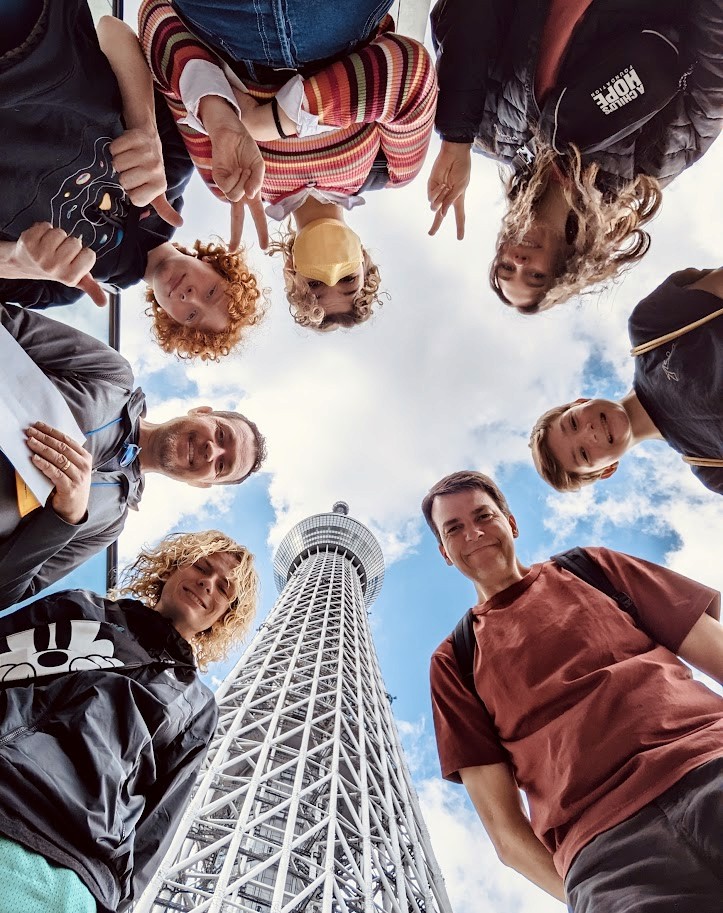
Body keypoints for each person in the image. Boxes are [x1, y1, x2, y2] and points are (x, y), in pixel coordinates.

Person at [423, 470, 723, 911]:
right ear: (445, 553)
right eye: (454, 528)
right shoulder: (455, 660)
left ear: (511, 522)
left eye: (483, 516)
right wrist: (583, 896)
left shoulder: (593, 568)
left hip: (708, 764)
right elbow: (505, 832)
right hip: (607, 854)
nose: (473, 533)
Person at [0, 529, 258, 913]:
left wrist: (119, 902)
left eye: (224, 589)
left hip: (71, 863)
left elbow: (160, 818)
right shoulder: (83, 608)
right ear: (170, 568)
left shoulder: (197, 704)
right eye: (202, 567)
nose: (208, 583)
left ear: (224, 616)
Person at [139, 0, 437, 330]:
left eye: (316, 284)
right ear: (363, 259)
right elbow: (410, 72)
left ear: (291, 271)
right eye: (348, 279)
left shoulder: (231, 182)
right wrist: (267, 122)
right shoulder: (390, 170)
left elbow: (158, 25)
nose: (331, 270)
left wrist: (218, 115)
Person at [0, 0, 263, 361]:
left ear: (169, 319)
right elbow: (112, 29)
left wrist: (16, 260)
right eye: (211, 292)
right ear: (214, 265)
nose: (190, 296)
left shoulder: (67, 282)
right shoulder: (173, 170)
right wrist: (145, 126)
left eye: (190, 316)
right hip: (28, 39)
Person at [426, 0, 723, 312]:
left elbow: (468, 12)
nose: (519, 261)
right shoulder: (649, 168)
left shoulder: (489, 132)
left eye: (506, 268)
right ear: (568, 266)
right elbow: (714, 74)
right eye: (536, 276)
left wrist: (456, 137)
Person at [0, 303, 267, 608]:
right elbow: (10, 325)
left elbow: (8, 592)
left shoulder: (108, 525)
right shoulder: (112, 374)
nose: (212, 450)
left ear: (202, 484)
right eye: (221, 435)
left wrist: (66, 518)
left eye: (221, 465)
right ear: (201, 411)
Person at [529, 266, 723, 495]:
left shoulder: (649, 327)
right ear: (607, 470)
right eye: (583, 453)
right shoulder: (712, 469)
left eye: (572, 423)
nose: (588, 432)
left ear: (580, 402)